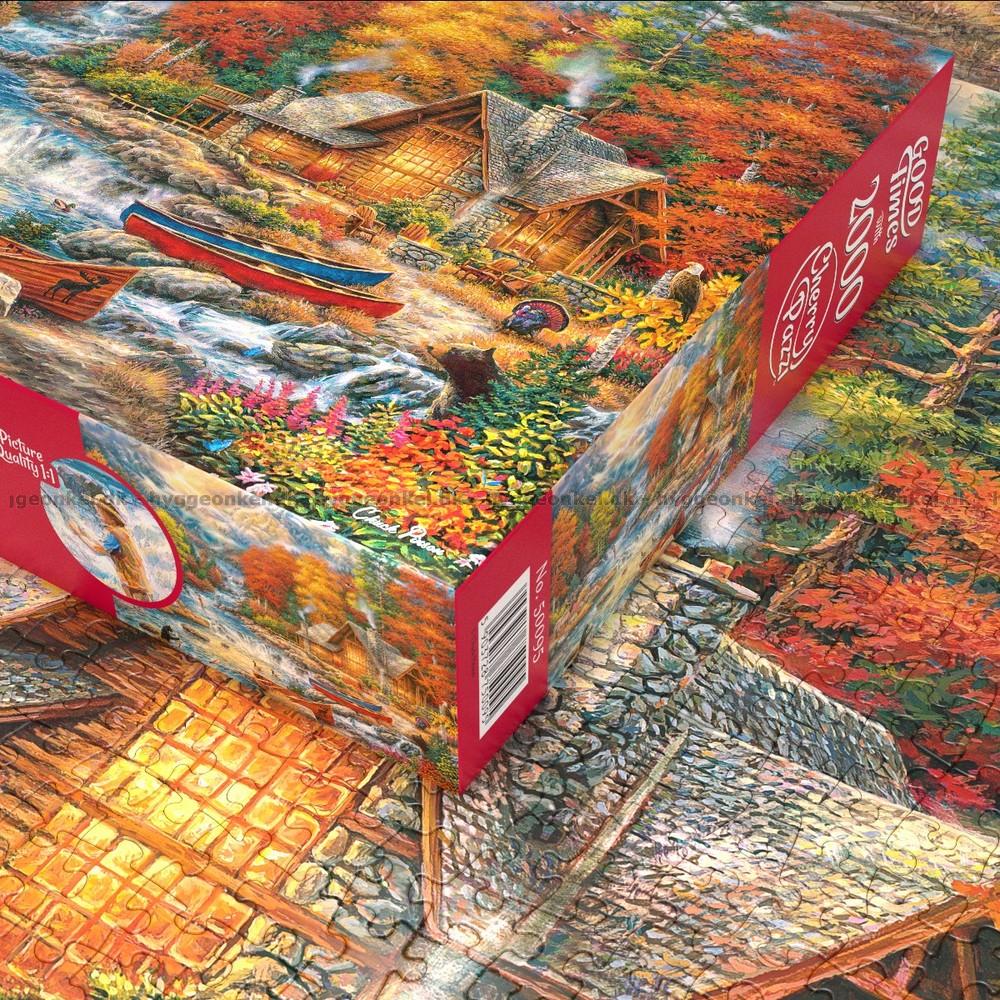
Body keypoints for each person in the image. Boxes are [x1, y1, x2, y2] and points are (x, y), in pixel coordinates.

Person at [64, 493, 153, 602]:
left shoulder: (116, 533)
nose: (98, 515)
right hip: (137, 586)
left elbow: (98, 549)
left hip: (138, 588)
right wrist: (83, 532)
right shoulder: (121, 530)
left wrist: (78, 534)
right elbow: (103, 545)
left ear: (108, 513)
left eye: (99, 512)